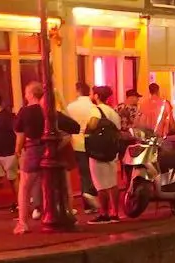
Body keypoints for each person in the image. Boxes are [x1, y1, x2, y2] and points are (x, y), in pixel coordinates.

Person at [12, 81, 80, 235]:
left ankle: (23, 222)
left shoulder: (25, 112)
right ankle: (66, 215)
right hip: (52, 151)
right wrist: (61, 140)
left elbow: (20, 136)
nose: (25, 95)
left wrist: (17, 151)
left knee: (25, 187)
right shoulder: (51, 113)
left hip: (33, 150)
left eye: (26, 92)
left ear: (30, 94)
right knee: (58, 186)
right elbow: (75, 127)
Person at [86, 86, 122, 224]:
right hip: (112, 150)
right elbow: (118, 129)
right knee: (112, 182)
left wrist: (87, 131)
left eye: (91, 93)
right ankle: (115, 213)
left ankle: (104, 213)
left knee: (100, 184)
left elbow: (92, 124)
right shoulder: (113, 112)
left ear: (96, 96)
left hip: (98, 150)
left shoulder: (95, 110)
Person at [65, 82, 100, 214]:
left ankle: (86, 201)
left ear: (77, 91)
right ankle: (90, 200)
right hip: (90, 143)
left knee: (82, 174)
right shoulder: (92, 107)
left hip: (76, 143)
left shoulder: (71, 107)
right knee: (91, 173)